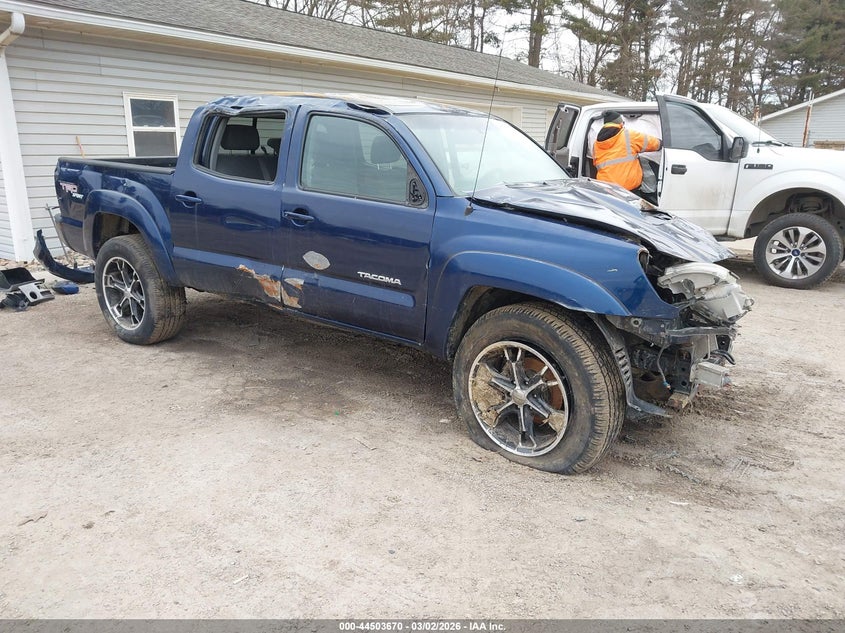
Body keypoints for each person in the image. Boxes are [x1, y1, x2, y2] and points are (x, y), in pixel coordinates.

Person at [593, 111, 661, 200]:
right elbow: (654, 144)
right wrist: (661, 143)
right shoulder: (629, 135)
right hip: (628, 191)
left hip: (605, 189)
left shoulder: (596, 144)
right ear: (620, 123)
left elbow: (596, 163)